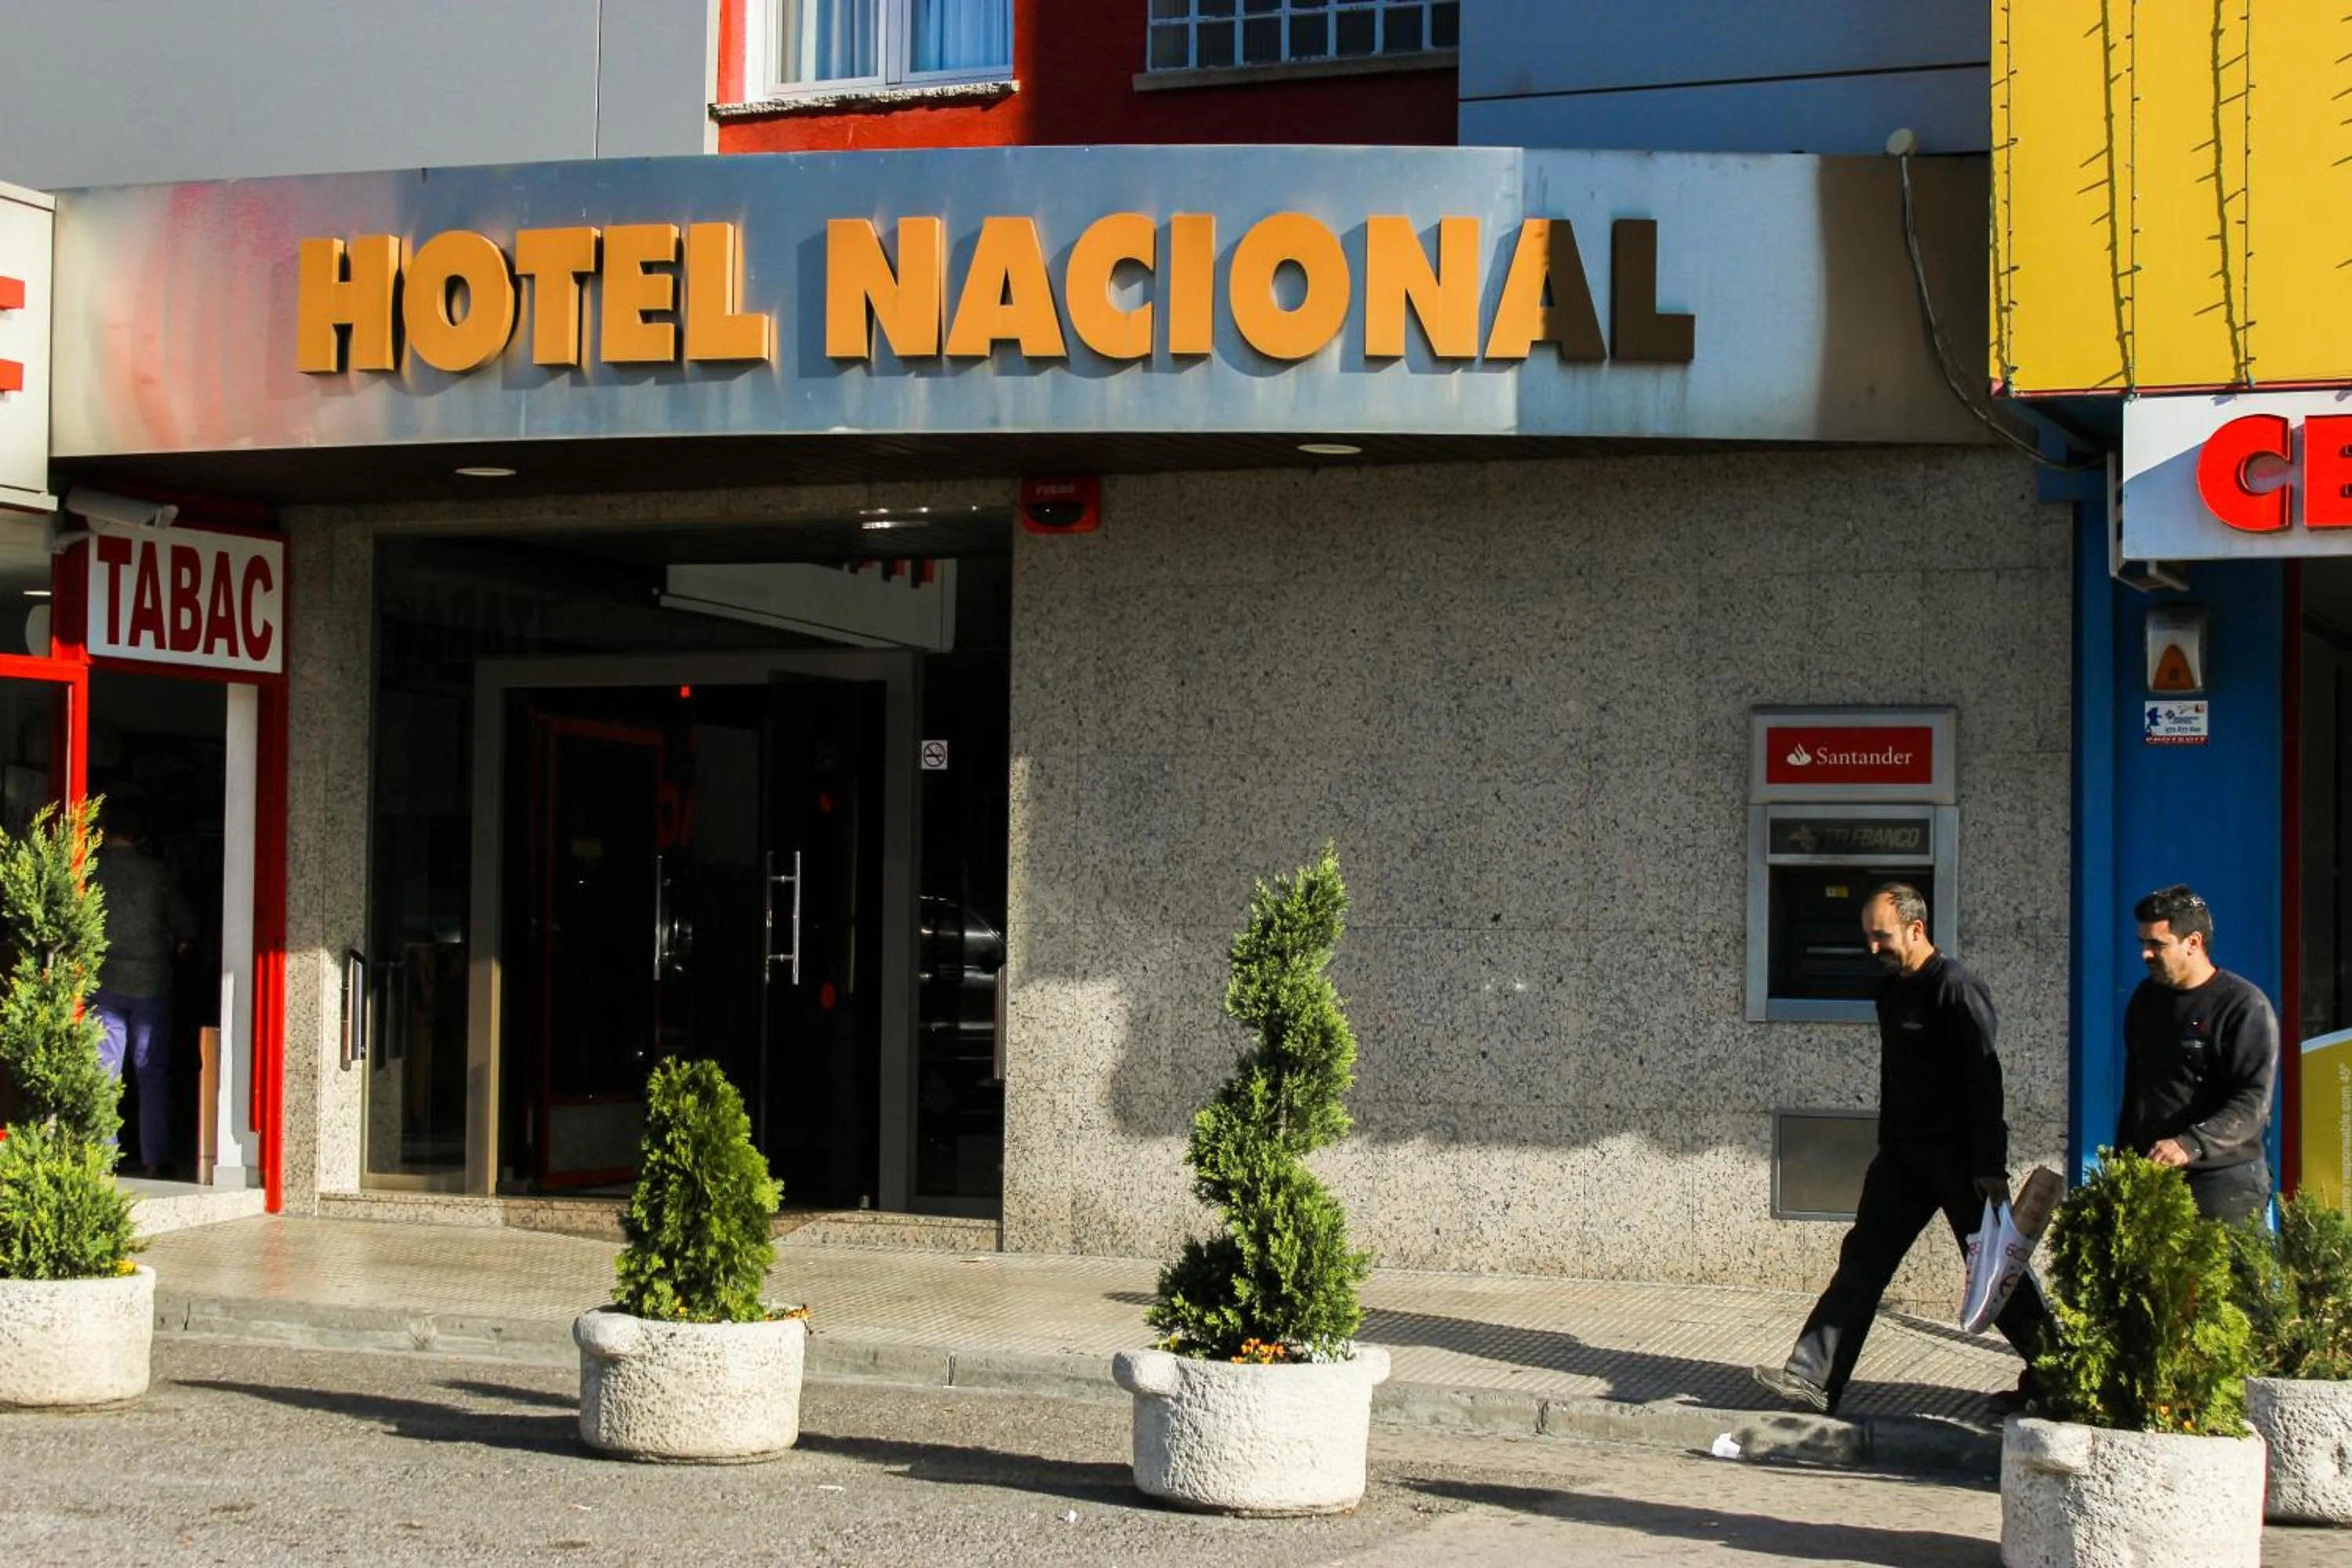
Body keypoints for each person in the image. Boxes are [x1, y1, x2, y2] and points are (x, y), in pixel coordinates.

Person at [1754, 882, 2056, 1417]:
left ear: (1917, 930)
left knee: (1994, 1271)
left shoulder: (1957, 988)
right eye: (1868, 937)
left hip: (1961, 1160)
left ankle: (2059, 1375)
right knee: (1863, 1260)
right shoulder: (1890, 989)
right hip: (1902, 1157)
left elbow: (1986, 1080)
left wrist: (1990, 1164)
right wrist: (1888, 1146)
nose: (1873, 948)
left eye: (1882, 937)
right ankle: (1813, 1378)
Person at [2117, 885, 2278, 1223]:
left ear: (2193, 943)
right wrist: (2123, 1167)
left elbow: (2253, 1102)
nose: (2145, 954)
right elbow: (2137, 1093)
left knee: (2224, 1276)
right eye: (2142, 943)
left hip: (2225, 1181)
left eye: (2157, 944)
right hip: (2155, 1177)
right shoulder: (2146, 1000)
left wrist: (2189, 1144)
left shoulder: (2243, 1006)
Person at [89, 797, 195, 1178]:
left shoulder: (92, 870)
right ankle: (155, 1158)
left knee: (104, 1070)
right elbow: (186, 926)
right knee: (152, 1071)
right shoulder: (158, 874)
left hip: (102, 980)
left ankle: (101, 1157)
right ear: (143, 834)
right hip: (151, 982)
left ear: (105, 831)